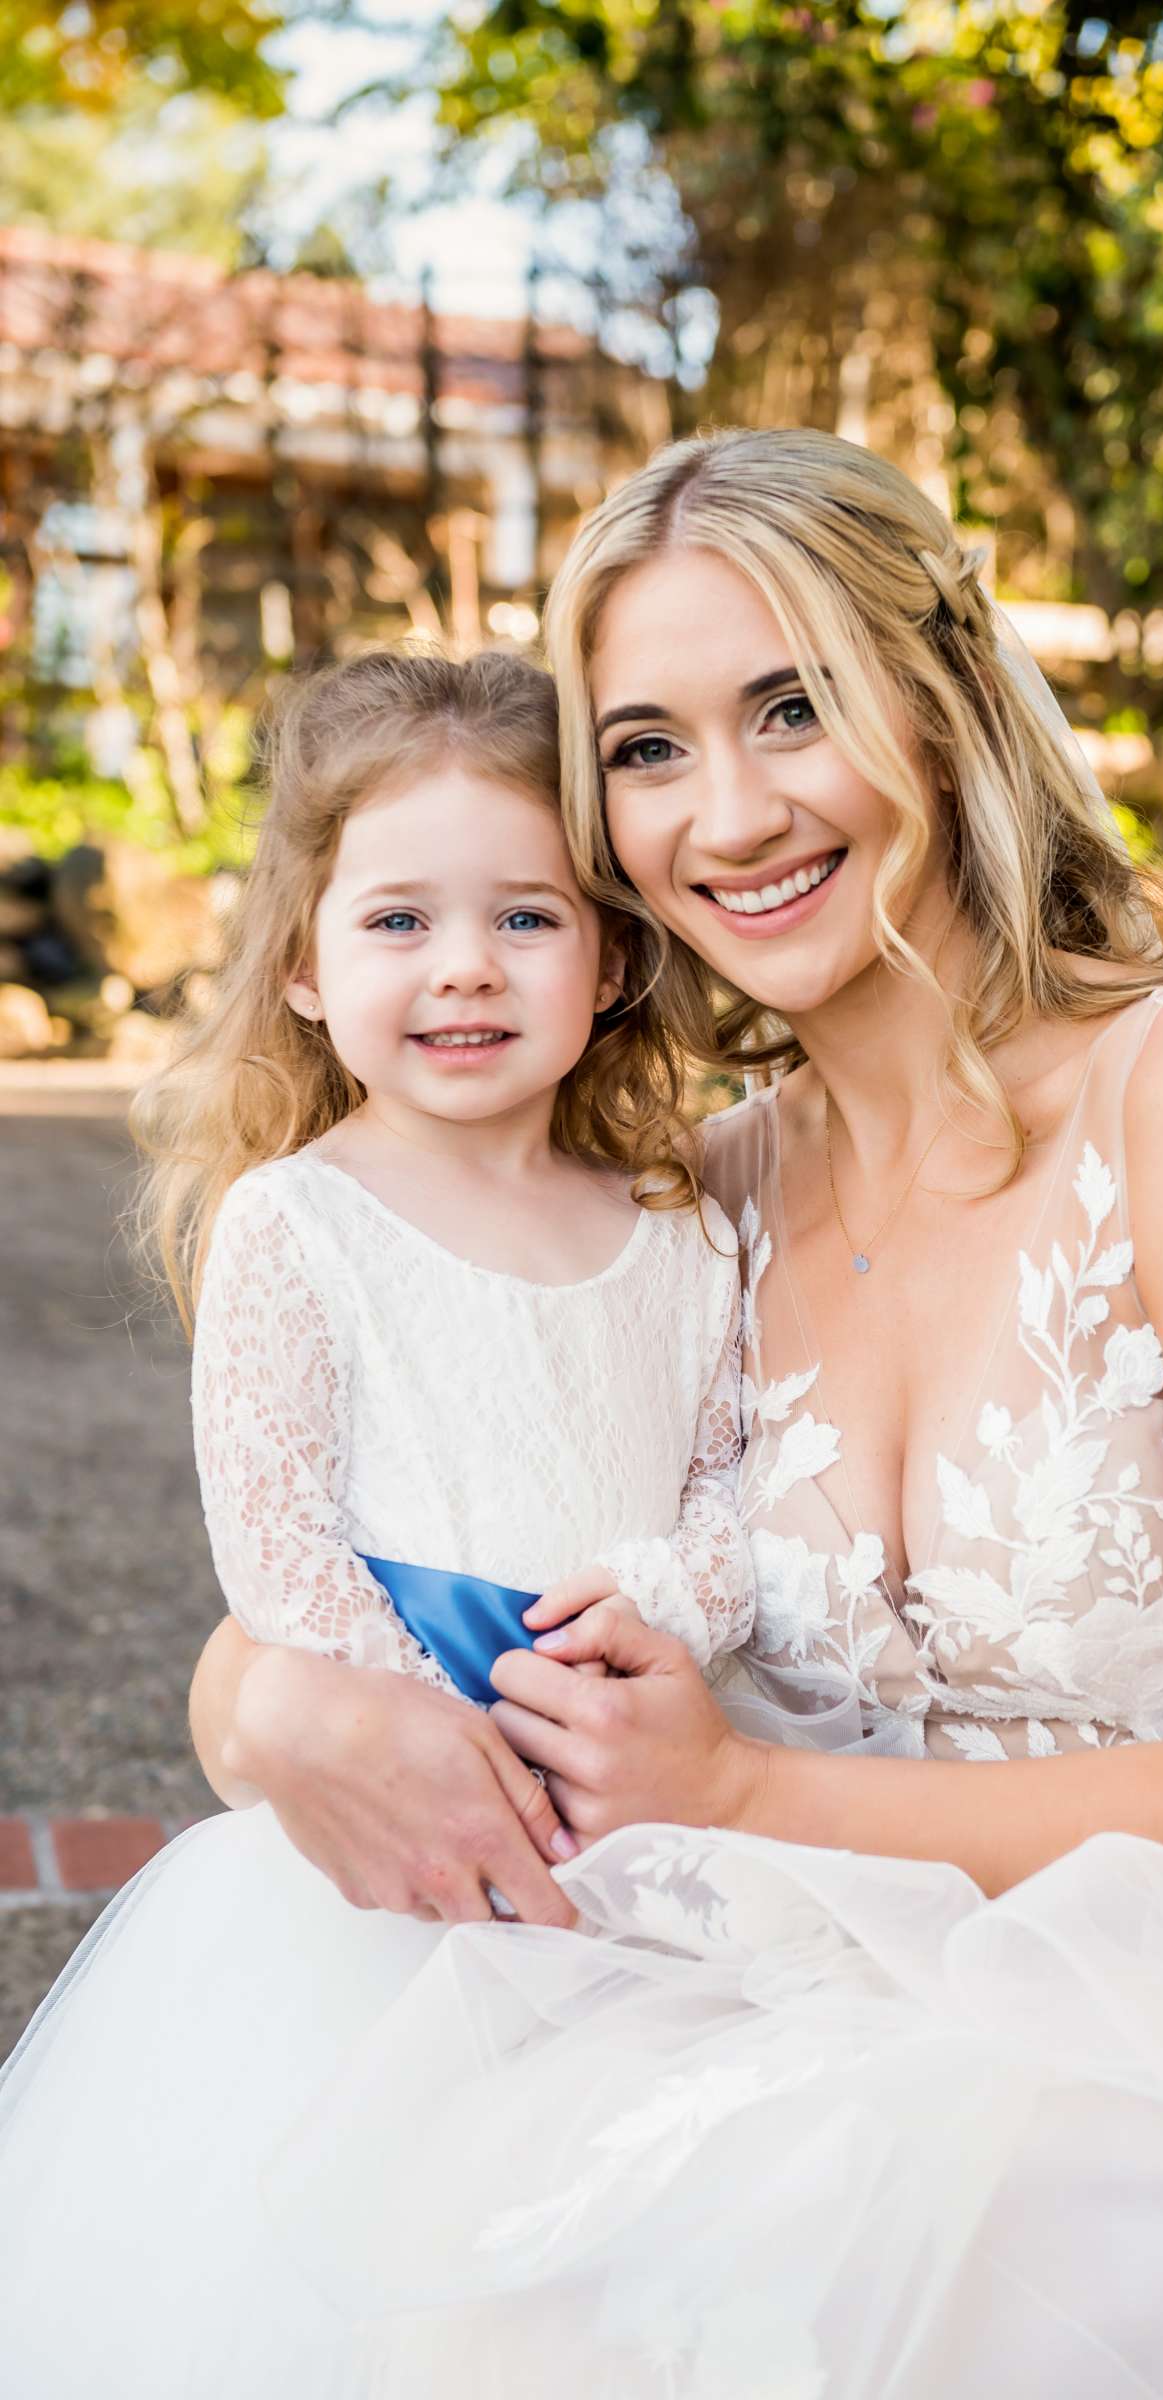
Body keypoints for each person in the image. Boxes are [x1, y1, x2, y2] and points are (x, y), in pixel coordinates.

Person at [196, 434, 1163, 2392]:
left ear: (937, 709)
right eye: (648, 745)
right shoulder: (701, 1205)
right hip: (762, 2030)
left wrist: (750, 1795)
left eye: (793, 707)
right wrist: (258, 1702)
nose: (735, 808)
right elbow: (433, 1533)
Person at [0, 650, 755, 2396]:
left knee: (625, 2265)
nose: (465, 966)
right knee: (389, 2273)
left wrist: (662, 1613)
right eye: (399, 920)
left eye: (526, 918)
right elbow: (276, 1564)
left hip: (654, 1798)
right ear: (303, 962)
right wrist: (452, 1746)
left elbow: (728, 1480)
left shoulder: (681, 1224)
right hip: (402, 1858)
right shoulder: (297, 1226)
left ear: (616, 956)